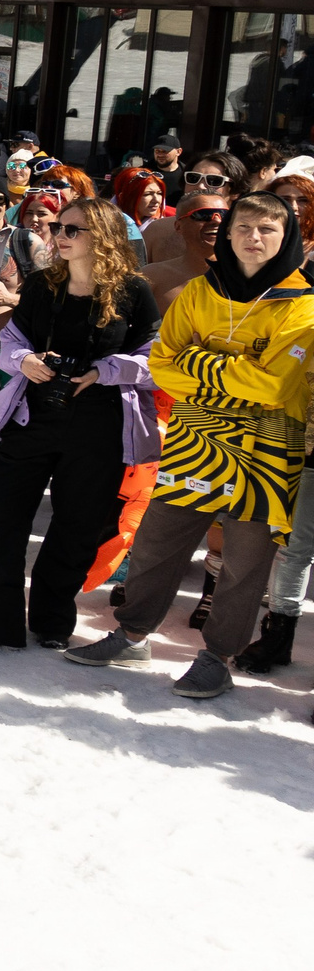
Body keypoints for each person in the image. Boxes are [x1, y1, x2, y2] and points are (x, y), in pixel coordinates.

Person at [65, 193, 314, 698]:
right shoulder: (200, 290)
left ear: (286, 236)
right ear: (228, 233)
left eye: (268, 229)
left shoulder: (305, 304)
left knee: (245, 565)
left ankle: (218, 657)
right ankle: (133, 634)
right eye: (244, 226)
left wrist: (201, 361)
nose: (254, 238)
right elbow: (162, 365)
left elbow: (274, 386)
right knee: (158, 543)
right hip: (194, 441)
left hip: (266, 453)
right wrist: (241, 366)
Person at [0, 199, 159, 649]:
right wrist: (25, 360)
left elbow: (153, 359)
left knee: (77, 528)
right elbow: (11, 340)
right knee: (1, 518)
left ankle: (51, 620)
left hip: (99, 424)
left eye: (73, 230)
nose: (59, 235)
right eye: (59, 227)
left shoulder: (134, 291)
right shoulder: (43, 284)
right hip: (34, 415)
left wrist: (105, 370)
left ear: (102, 237)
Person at [142, 190, 228, 311]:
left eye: (224, 215)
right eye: (204, 215)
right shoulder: (152, 277)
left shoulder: (248, 276)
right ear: (178, 226)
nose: (217, 221)